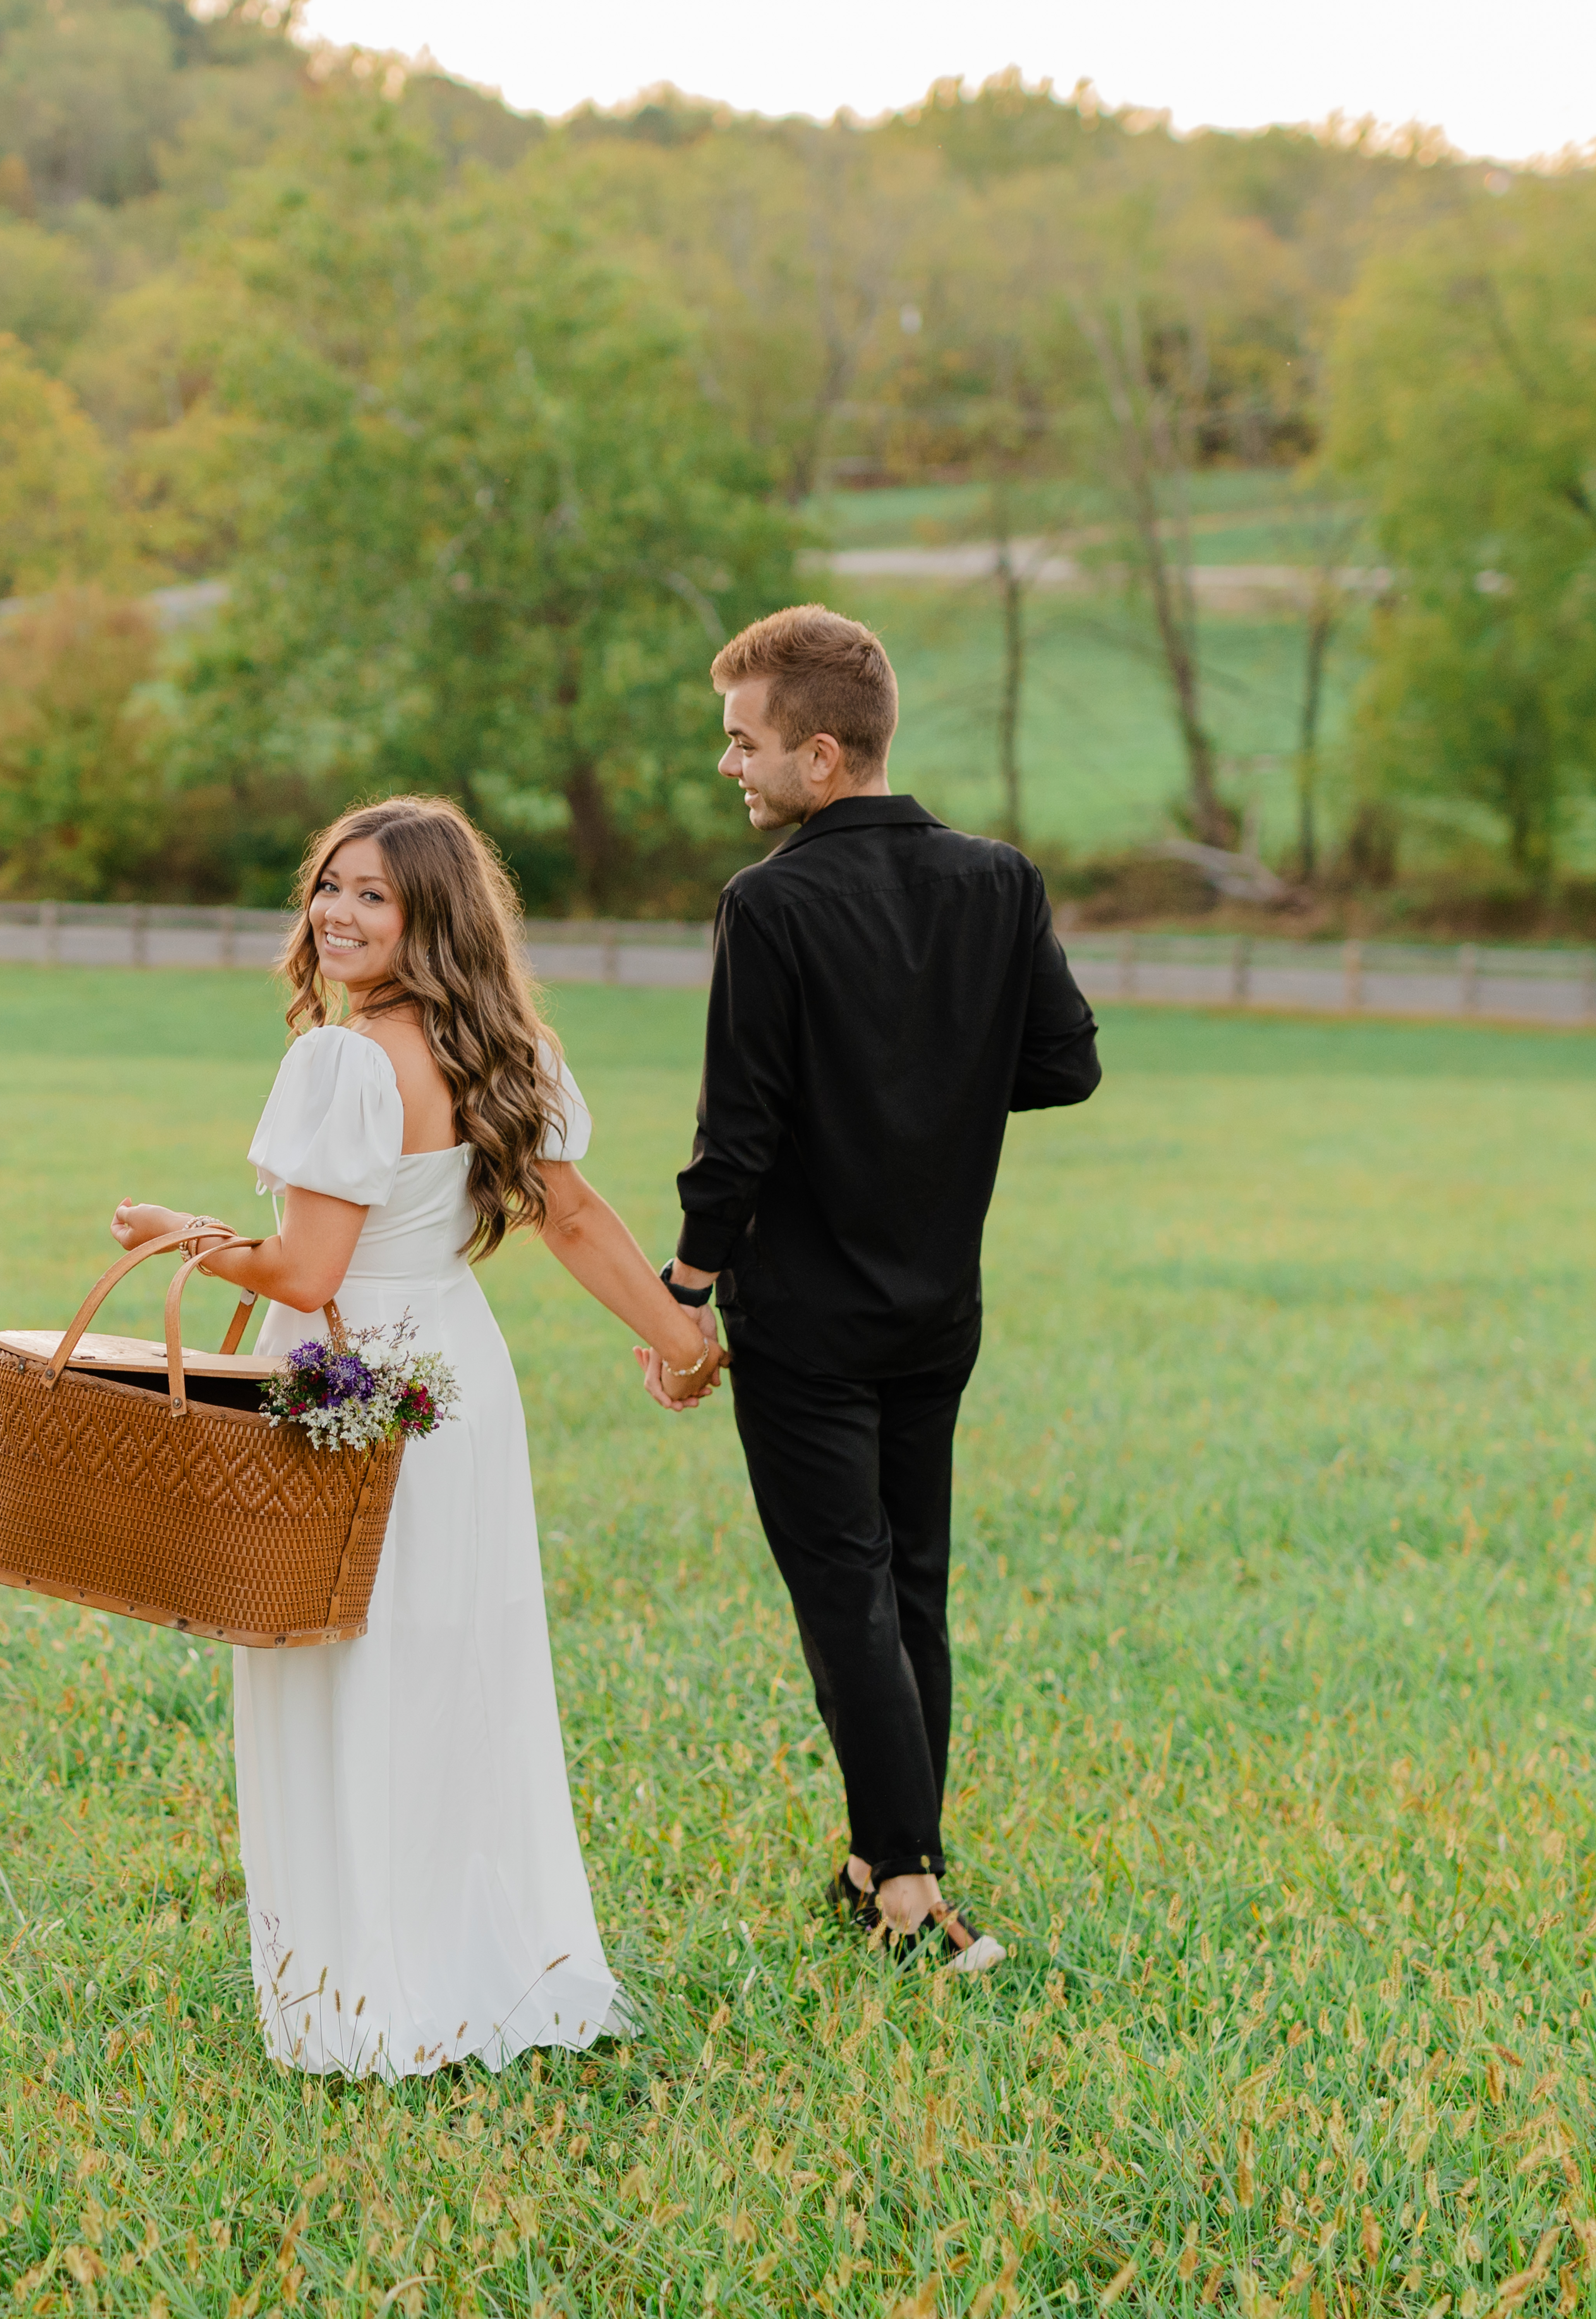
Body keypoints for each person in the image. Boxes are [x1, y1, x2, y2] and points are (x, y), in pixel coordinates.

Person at [108, 795, 719, 2079]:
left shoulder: (343, 1062)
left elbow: (305, 1264)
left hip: (349, 1387)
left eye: (371, 894)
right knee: (463, 1667)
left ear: (429, 913)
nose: (335, 912)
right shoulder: (510, 1051)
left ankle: (362, 1994)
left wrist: (183, 1229)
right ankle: (494, 1968)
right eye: (328, 885)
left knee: (338, 1668)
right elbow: (579, 1219)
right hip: (462, 1378)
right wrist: (683, 1341)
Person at [642, 604, 1102, 1975]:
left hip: (808, 1318)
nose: (731, 765)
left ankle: (907, 1882)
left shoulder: (771, 904)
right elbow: (1066, 1064)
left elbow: (740, 1139)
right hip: (936, 1308)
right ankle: (874, 1858)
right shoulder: (1000, 880)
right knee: (913, 1586)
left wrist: (683, 1289)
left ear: (823, 754)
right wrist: (936, 1080)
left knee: (846, 1592)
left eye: (745, 742)